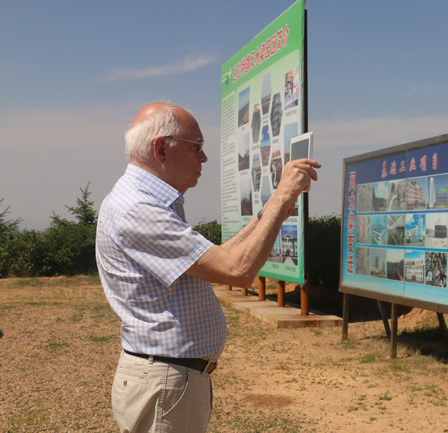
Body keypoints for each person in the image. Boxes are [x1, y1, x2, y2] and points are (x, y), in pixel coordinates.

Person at [95, 102, 320, 433]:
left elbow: (217, 258)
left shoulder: (143, 202)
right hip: (166, 380)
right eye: (196, 147)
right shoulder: (139, 209)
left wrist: (268, 214)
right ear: (161, 148)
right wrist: (281, 197)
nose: (204, 158)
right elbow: (237, 271)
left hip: (170, 377)